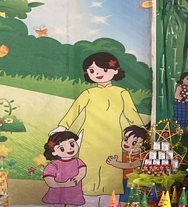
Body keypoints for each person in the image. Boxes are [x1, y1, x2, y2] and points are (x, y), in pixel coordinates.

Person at [55, 52, 144, 198]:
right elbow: (74, 110)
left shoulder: (121, 93)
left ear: (115, 70)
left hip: (113, 136)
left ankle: (111, 195)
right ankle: (86, 192)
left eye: (104, 69)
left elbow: (132, 114)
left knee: (112, 165)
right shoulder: (88, 93)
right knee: (89, 164)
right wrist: (63, 126)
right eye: (92, 70)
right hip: (91, 135)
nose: (97, 74)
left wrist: (141, 130)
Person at [42, 130, 86, 207]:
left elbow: (82, 171)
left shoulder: (77, 161)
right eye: (62, 148)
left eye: (72, 144)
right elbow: (49, 180)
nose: (70, 148)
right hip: (58, 192)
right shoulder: (53, 165)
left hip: (73, 191)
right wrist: (65, 184)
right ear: (54, 151)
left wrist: (77, 179)